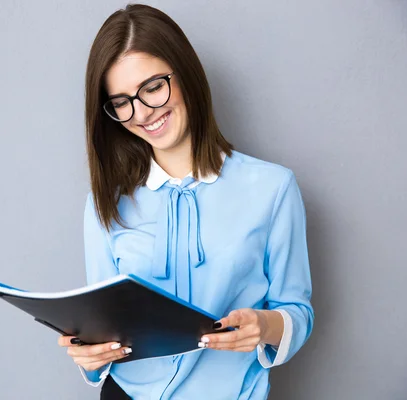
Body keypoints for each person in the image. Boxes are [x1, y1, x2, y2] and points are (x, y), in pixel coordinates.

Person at [57, 4, 314, 399]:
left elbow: (298, 311)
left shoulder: (273, 188)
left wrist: (265, 325)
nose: (142, 114)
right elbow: (103, 329)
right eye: (122, 102)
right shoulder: (104, 204)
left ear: (185, 73)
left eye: (153, 87)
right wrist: (90, 356)